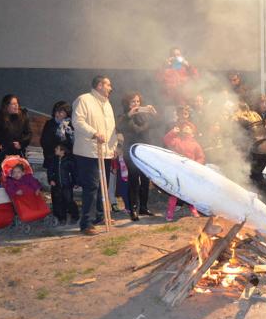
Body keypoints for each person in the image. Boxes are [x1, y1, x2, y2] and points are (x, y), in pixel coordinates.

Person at [72, 76, 118, 235]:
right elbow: (77, 121)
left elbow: (111, 128)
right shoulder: (84, 100)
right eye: (108, 84)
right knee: (91, 187)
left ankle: (100, 215)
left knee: (102, 186)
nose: (110, 88)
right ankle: (86, 223)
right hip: (88, 151)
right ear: (99, 85)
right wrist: (94, 133)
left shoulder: (107, 104)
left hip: (104, 151)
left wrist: (114, 146)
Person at [116, 92, 158, 221]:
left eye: (138, 101)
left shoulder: (144, 116)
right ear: (127, 103)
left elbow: (157, 125)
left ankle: (143, 207)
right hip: (132, 152)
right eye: (133, 102)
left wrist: (154, 114)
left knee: (145, 180)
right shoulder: (123, 117)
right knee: (133, 180)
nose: (136, 104)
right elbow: (125, 128)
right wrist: (129, 115)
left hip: (145, 151)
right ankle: (133, 209)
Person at [163, 121, 205, 221]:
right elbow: (166, 140)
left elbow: (201, 157)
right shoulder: (177, 140)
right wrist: (172, 132)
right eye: (184, 127)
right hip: (177, 170)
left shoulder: (195, 144)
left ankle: (193, 209)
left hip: (190, 171)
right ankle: (170, 212)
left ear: (192, 132)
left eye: (188, 127)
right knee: (175, 192)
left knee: (190, 192)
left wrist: (196, 165)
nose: (186, 128)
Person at [0, 94, 32, 171]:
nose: (16, 106)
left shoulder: (23, 116)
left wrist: (21, 143)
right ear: (6, 105)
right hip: (2, 151)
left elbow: (28, 133)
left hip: (18, 151)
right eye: (13, 104)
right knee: (4, 174)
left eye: (17, 103)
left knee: (19, 174)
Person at [46, 143, 79, 225]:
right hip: (56, 185)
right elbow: (50, 171)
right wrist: (51, 180)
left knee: (69, 201)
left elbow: (74, 172)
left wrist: (75, 182)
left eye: (57, 148)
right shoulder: (54, 160)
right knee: (58, 201)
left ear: (62, 151)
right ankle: (61, 218)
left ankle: (75, 216)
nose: (55, 150)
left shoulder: (69, 160)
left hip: (67, 185)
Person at [40, 101, 74, 170]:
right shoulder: (50, 123)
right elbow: (44, 141)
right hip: (52, 158)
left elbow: (72, 142)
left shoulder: (71, 125)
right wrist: (55, 151)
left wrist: (64, 151)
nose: (57, 114)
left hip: (67, 159)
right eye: (56, 111)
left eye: (61, 112)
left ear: (67, 113)